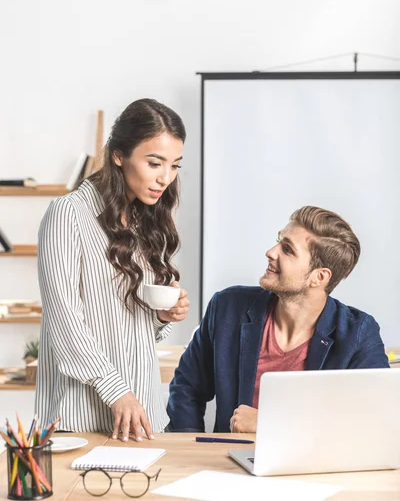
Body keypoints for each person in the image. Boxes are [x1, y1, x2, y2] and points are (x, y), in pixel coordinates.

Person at [35, 98, 190, 442]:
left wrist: (161, 316)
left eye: (175, 166)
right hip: (80, 419)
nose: (165, 178)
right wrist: (116, 390)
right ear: (119, 155)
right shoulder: (67, 215)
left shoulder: (142, 222)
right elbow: (65, 322)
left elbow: (132, 329)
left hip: (141, 415)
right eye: (154, 163)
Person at [167, 206, 389, 433]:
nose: (271, 252)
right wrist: (194, 449)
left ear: (318, 277)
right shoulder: (228, 307)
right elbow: (187, 387)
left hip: (310, 466)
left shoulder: (358, 333)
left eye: (288, 250)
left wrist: (269, 423)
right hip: (227, 461)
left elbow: (374, 419)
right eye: (278, 241)